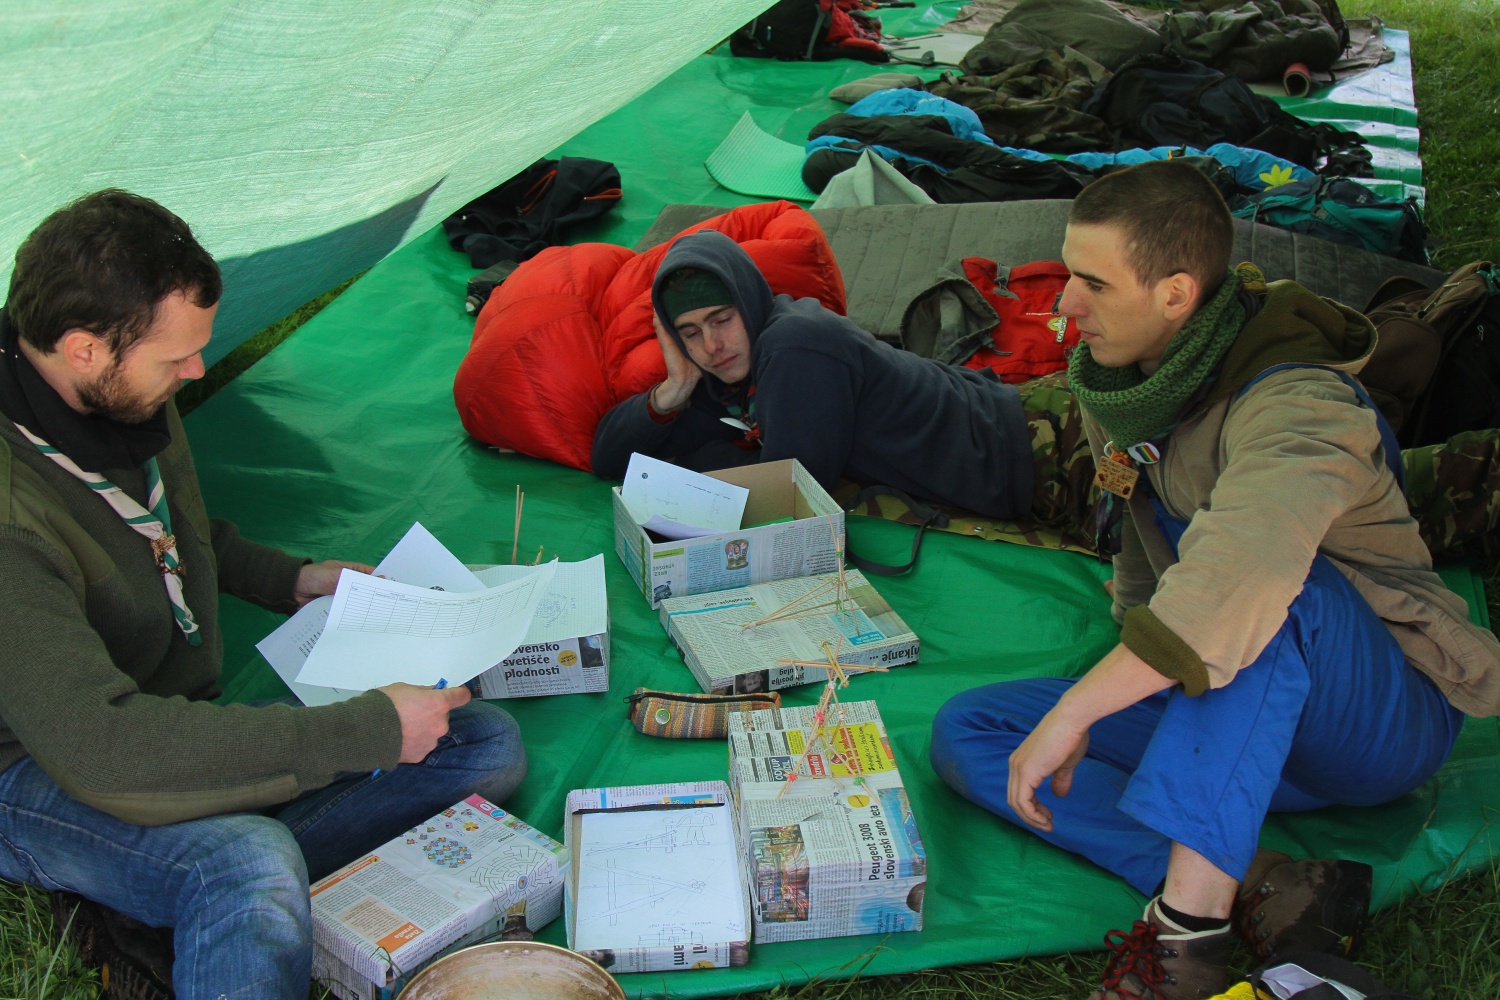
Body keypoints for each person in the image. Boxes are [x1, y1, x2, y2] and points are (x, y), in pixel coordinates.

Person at [929, 160, 1500, 1000]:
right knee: (976, 730)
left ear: (1175, 294)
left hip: (1377, 716)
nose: (1064, 307)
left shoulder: (1300, 401)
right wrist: (1105, 679)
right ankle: (1273, 877)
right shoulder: (1133, 381)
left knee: (1268, 591)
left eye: (1091, 283)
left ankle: (1185, 942)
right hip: (1240, 709)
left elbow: (1248, 566)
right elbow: (1134, 528)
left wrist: (1084, 708)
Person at [0, 190, 528, 999]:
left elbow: (166, 526)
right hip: (42, 766)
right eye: (175, 359)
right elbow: (99, 750)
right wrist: (363, 730)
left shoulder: (123, 396)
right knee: (248, 860)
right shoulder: (10, 519)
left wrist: (293, 578)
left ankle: (174, 881)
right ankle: (206, 874)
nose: (197, 371)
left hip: (157, 720)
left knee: (480, 743)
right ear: (81, 349)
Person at [589, 229, 1041, 520]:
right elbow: (609, 461)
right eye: (689, 332)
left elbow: (788, 498)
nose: (711, 345)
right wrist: (673, 390)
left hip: (1034, 451)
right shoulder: (723, 376)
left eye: (722, 319)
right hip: (1005, 443)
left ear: (748, 302)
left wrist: (706, 459)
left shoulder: (796, 346)